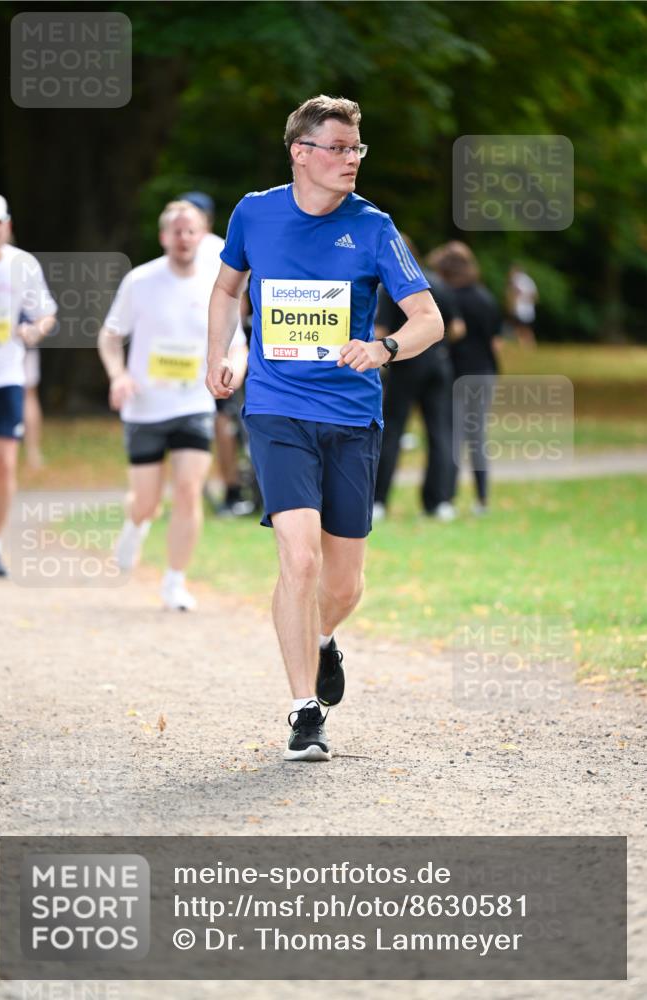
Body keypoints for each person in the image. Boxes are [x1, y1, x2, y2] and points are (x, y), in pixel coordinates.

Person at [206, 95, 443, 761]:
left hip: (350, 415)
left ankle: (319, 637)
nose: (350, 160)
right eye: (337, 148)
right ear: (300, 153)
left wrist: (383, 348)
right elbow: (228, 289)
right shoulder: (254, 212)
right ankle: (303, 710)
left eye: (356, 149)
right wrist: (220, 354)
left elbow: (427, 319)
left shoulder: (373, 227)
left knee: (341, 586)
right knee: (299, 558)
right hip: (276, 409)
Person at [98, 200, 246, 610]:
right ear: (164, 237)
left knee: (187, 490)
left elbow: (238, 344)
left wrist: (232, 370)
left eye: (191, 230)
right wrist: (119, 376)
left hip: (193, 405)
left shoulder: (219, 286)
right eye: (176, 231)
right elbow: (110, 336)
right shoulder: (140, 281)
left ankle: (175, 581)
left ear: (204, 235)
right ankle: (135, 524)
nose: (184, 238)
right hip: (145, 407)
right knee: (145, 501)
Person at [0, 193, 57, 576]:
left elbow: (47, 314)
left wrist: (33, 330)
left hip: (7, 377)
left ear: (7, 226)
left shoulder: (21, 264)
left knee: (4, 462)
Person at [373, 237, 464, 522]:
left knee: (392, 432)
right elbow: (458, 328)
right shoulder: (437, 283)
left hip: (405, 365)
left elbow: (380, 331)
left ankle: (378, 500)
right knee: (440, 433)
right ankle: (439, 502)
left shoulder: (391, 287)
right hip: (439, 364)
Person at [180, 191, 253, 517]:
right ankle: (230, 489)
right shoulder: (221, 244)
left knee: (213, 420)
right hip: (219, 342)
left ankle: (218, 487)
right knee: (223, 418)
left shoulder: (199, 247)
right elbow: (241, 292)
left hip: (203, 344)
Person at [434, 242, 503, 514]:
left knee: (453, 436)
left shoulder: (447, 297)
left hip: (457, 373)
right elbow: (496, 342)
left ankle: (446, 499)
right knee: (477, 436)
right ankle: (482, 498)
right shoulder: (486, 298)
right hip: (485, 373)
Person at [505, 263, 538, 347]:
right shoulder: (529, 281)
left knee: (519, 328)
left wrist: (511, 306)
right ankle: (530, 345)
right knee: (527, 329)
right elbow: (535, 297)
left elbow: (513, 294)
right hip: (529, 310)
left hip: (520, 309)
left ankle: (523, 346)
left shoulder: (516, 279)